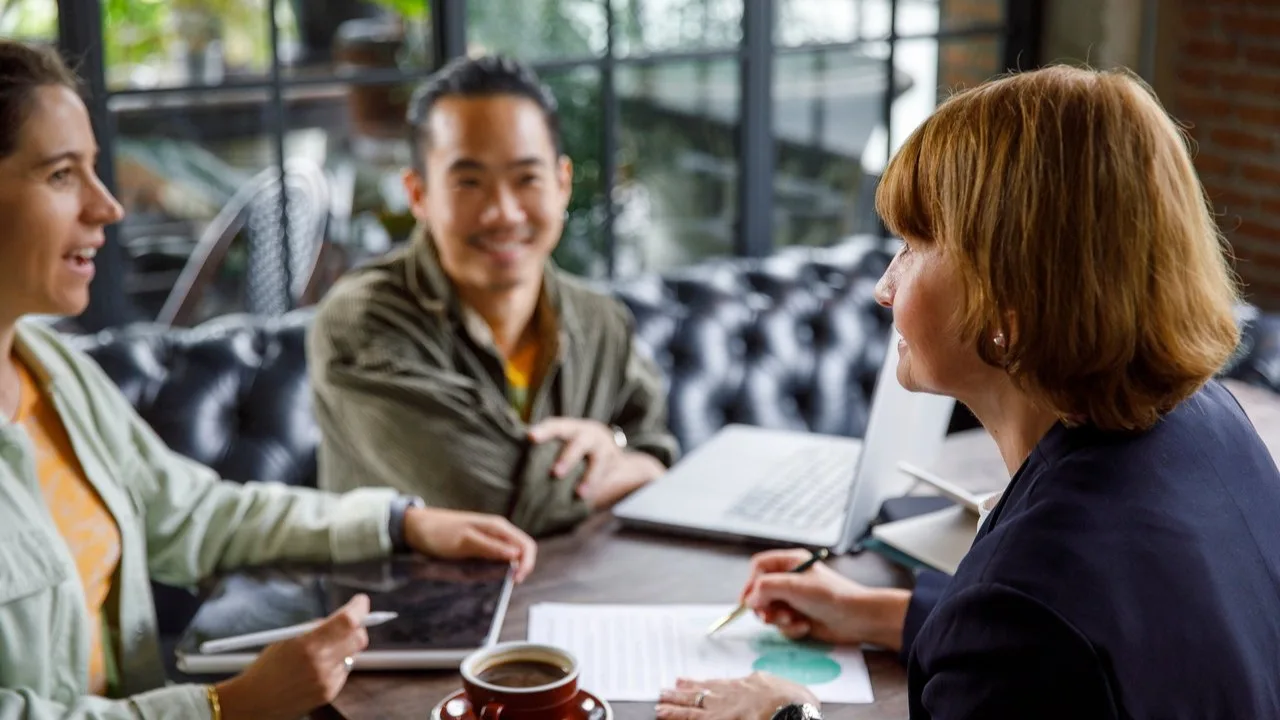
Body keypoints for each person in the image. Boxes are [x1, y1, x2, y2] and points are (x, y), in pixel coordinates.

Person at [657, 66, 1280, 720]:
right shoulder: (1210, 421)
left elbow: (1040, 630)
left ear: (1009, 304)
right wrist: (874, 613)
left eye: (915, 244)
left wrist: (788, 716)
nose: (885, 286)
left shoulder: (1021, 618)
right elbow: (1122, 637)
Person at [0, 40, 537, 720]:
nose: (106, 207)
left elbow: (198, 515)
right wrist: (226, 707)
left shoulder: (53, 374)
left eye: (94, 171)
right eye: (59, 175)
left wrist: (400, 522)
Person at [309, 55, 679, 537]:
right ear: (418, 194)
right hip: (406, 606)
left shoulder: (600, 319)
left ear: (562, 183)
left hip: (583, 599)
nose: (503, 213)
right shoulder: (363, 321)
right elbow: (489, 500)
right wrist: (636, 471)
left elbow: (655, 445)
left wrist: (624, 446)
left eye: (526, 178)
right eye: (469, 182)